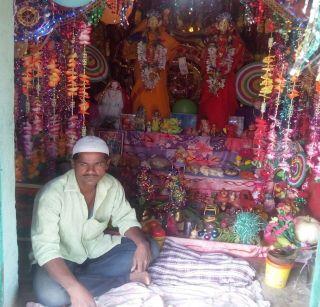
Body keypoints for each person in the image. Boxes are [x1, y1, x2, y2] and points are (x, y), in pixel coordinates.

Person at [31, 136, 160, 307]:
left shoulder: (112, 186)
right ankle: (124, 279)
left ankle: (82, 282)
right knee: (52, 296)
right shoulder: (53, 194)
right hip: (60, 259)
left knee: (150, 248)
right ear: (73, 164)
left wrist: (142, 244)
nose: (91, 171)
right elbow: (46, 249)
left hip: (96, 255)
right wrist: (74, 288)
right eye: (84, 164)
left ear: (107, 165)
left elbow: (125, 219)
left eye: (98, 164)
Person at [129, 10, 179, 121]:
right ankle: (141, 120)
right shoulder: (141, 35)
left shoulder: (163, 36)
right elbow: (130, 47)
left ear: (159, 23)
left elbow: (174, 47)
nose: (152, 23)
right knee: (142, 91)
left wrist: (162, 60)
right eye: (150, 21)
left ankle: (158, 121)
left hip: (158, 70)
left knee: (158, 92)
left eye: (154, 21)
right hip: (142, 68)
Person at [199, 13, 244, 131]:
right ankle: (207, 129)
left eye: (226, 24)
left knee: (223, 104)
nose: (223, 26)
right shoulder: (210, 40)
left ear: (229, 26)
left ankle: (222, 129)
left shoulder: (235, 42)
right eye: (221, 23)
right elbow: (204, 57)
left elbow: (237, 57)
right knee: (209, 103)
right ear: (217, 25)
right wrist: (211, 70)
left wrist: (225, 70)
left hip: (226, 77)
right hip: (211, 76)